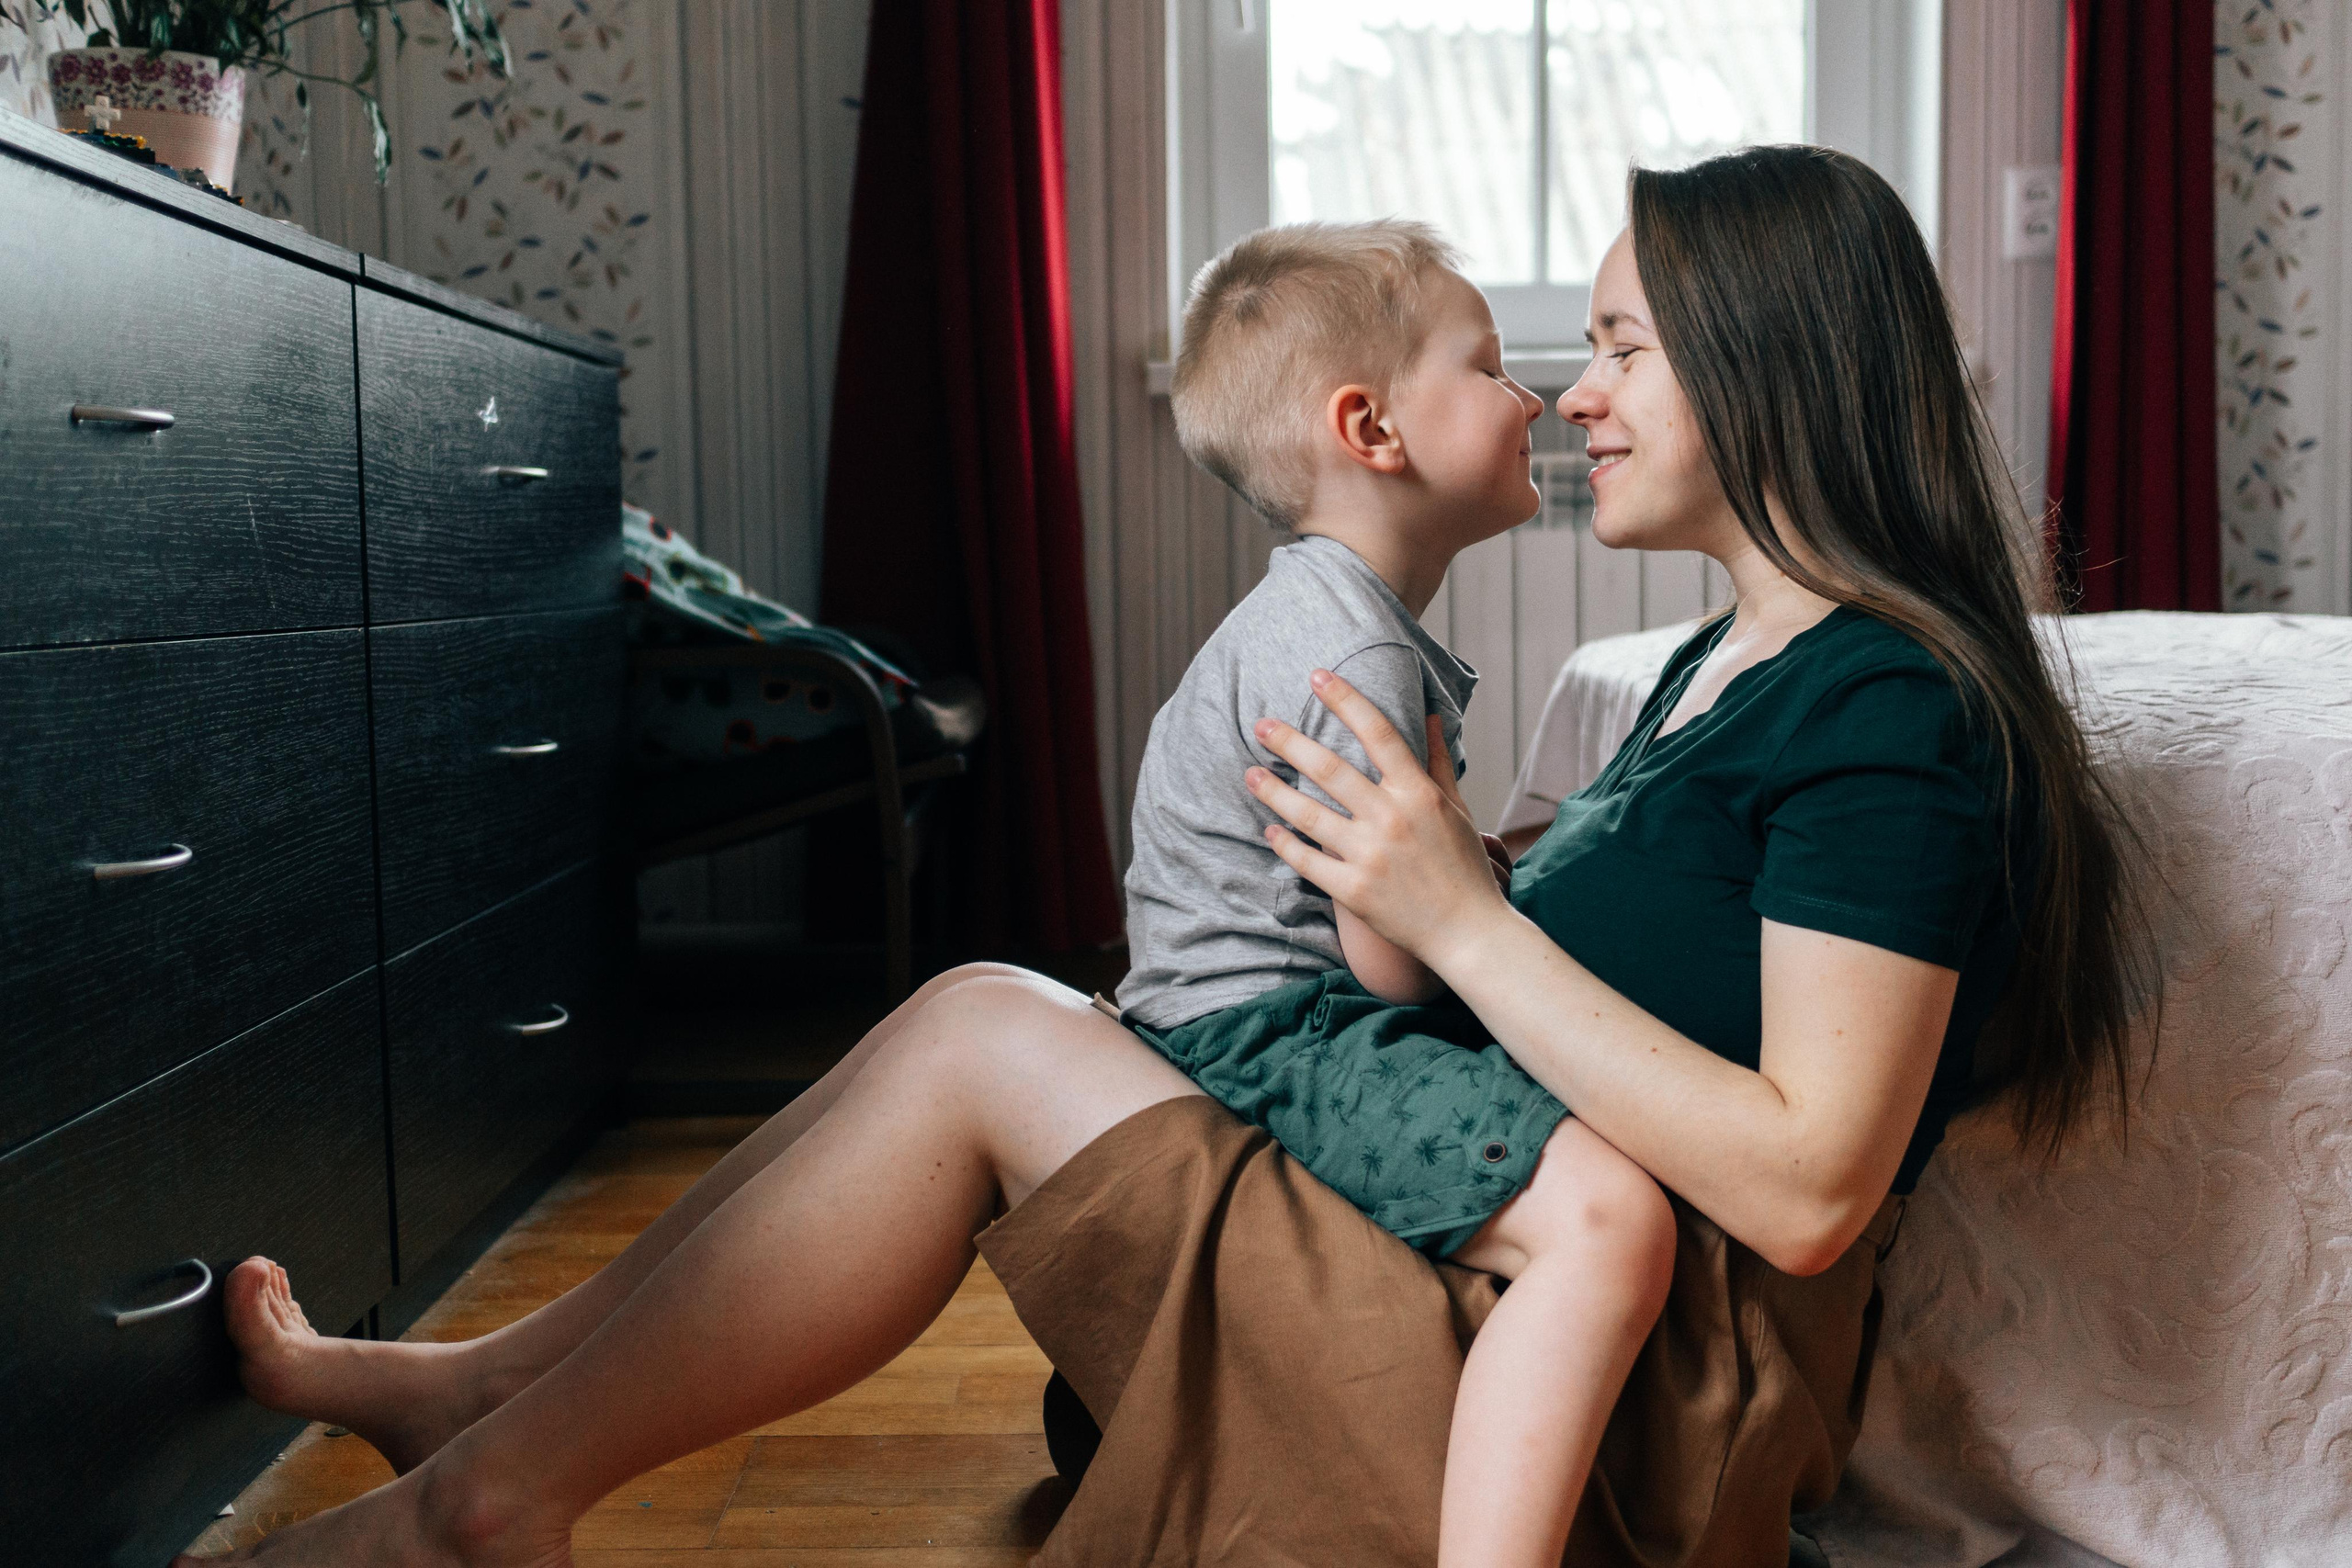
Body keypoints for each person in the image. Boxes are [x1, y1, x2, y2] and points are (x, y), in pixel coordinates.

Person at [180, 145, 2153, 1568]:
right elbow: (1628, 943)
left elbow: (1810, 1187)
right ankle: (487, 1397)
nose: (1574, 392)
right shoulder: (1719, 667)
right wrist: (1488, 884)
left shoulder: (1882, 709)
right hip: (1498, 1248)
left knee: (975, 1029)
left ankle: (496, 1480)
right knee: (978, 1012)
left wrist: (1460, 909)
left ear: (1768, 364)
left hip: (1614, 1367)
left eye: (1624, 347)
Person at [1117, 217, 1677, 1565]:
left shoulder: (1339, 615)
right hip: (1274, 1028)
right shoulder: (1342, 648)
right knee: (1611, 1223)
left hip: (1259, 1003)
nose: (1535, 395)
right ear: (1371, 429)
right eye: (1488, 368)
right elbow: (1394, 965)